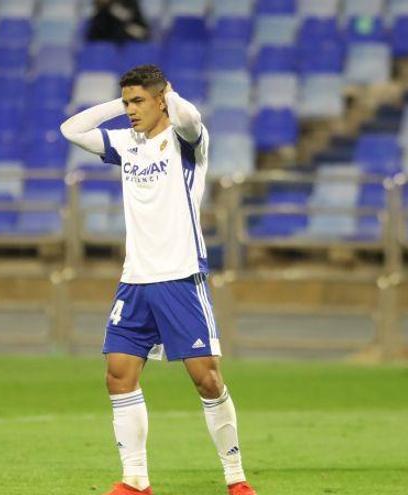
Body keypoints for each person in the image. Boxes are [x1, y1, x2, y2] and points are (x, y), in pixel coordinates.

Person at [60, 65, 258, 495]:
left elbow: (190, 119)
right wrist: (124, 100)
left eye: (137, 102)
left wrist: (167, 94)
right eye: (126, 103)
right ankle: (135, 481)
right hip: (135, 280)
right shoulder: (127, 145)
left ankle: (235, 478)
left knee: (206, 379)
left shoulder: (187, 142)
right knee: (118, 375)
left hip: (180, 276)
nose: (130, 111)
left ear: (162, 100)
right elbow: (71, 129)